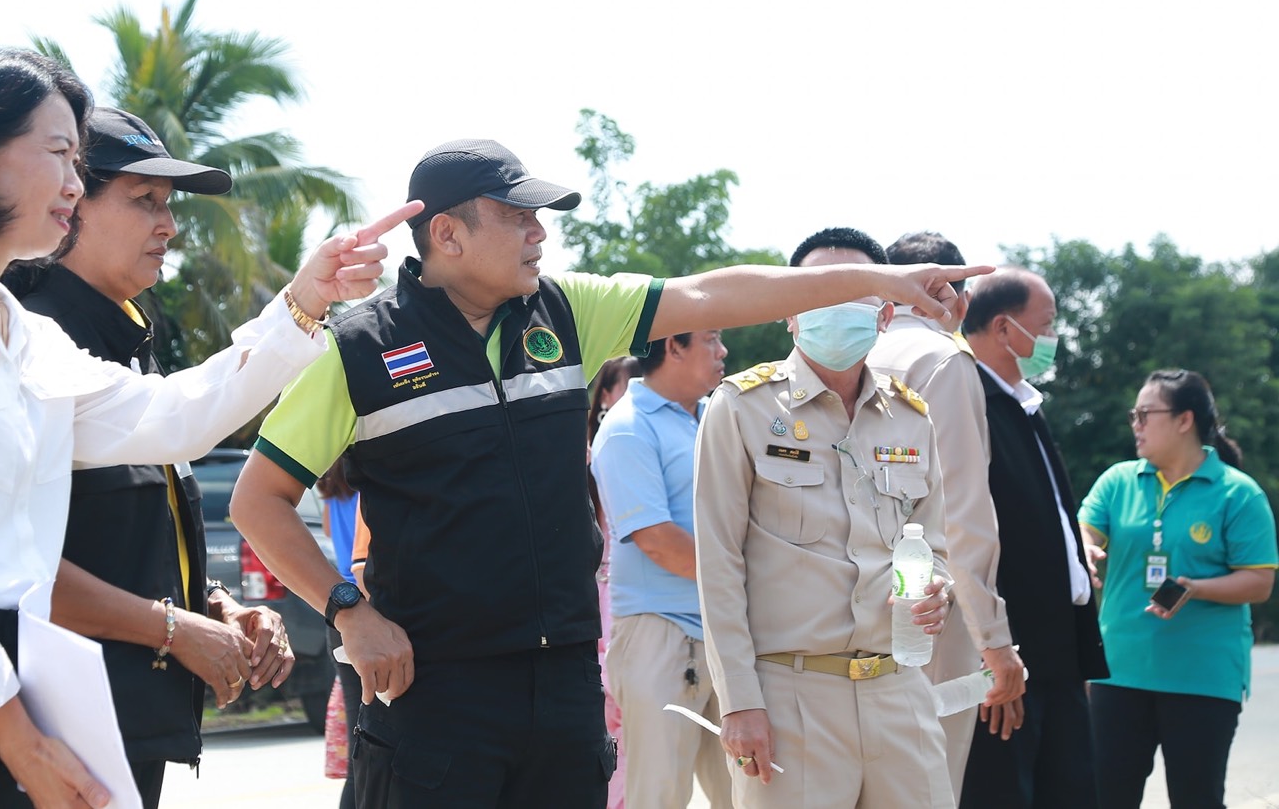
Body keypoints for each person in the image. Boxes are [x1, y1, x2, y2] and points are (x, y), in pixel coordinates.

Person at [230, 140, 983, 809]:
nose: (541, 233)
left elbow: (714, 292)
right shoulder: (359, 349)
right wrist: (349, 611)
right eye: (518, 217)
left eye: (541, 217)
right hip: (433, 685)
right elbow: (256, 498)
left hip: (560, 682)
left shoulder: (564, 312)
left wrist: (881, 278)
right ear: (446, 233)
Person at [0, 44, 417, 809]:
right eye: (59, 154)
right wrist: (18, 735)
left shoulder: (20, 330)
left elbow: (174, 418)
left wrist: (303, 300)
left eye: (80, 162)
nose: (74, 186)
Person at [7, 106, 294, 808]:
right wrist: (173, 627)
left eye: (169, 205)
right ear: (71, 203)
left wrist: (216, 606)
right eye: (144, 200)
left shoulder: (129, 338)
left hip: (128, 723)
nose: (168, 226)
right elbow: (12, 558)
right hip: (52, 730)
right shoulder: (31, 337)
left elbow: (132, 540)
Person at [695, 227, 955, 808]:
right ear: (789, 314)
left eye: (854, 296)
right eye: (817, 295)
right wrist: (739, 701)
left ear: (885, 313)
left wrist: (939, 586)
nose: (834, 313)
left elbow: (934, 540)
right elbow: (717, 564)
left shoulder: (911, 417)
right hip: (791, 696)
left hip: (899, 690)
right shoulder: (741, 407)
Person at [867, 230, 1025, 799]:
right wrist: (994, 638)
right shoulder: (944, 359)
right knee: (925, 785)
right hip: (926, 609)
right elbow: (962, 508)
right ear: (951, 294)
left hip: (847, 603)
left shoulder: (849, 354)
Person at [1079, 369, 1277, 809]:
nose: (1136, 424)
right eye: (1135, 414)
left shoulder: (1238, 495)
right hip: (1118, 672)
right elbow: (1084, 529)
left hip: (1202, 679)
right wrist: (1087, 549)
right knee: (1104, 797)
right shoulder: (1118, 481)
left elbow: (1260, 581)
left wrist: (1197, 588)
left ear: (1185, 420)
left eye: (1146, 414)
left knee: (1197, 799)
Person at [959, 267, 1107, 809]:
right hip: (1010, 657)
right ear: (1003, 328)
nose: (1051, 339)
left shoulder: (1023, 403)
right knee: (1003, 792)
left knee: (1068, 790)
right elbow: (964, 533)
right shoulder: (968, 400)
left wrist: (1075, 558)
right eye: (1046, 326)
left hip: (1058, 654)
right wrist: (993, 653)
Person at [593, 331, 733, 809]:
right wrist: (748, 582)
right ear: (673, 346)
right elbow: (657, 540)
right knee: (659, 795)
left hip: (723, 632)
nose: (723, 353)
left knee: (746, 793)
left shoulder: (711, 417)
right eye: (712, 341)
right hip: (662, 635)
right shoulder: (628, 426)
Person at [588, 355, 639, 809]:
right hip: (597, 612)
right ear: (605, 394)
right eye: (631, 382)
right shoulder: (582, 457)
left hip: (634, 606)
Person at [315, 454, 363, 809]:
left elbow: (330, 532)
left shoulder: (332, 486)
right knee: (377, 742)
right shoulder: (370, 484)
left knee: (359, 738)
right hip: (368, 605)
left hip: (338, 608)